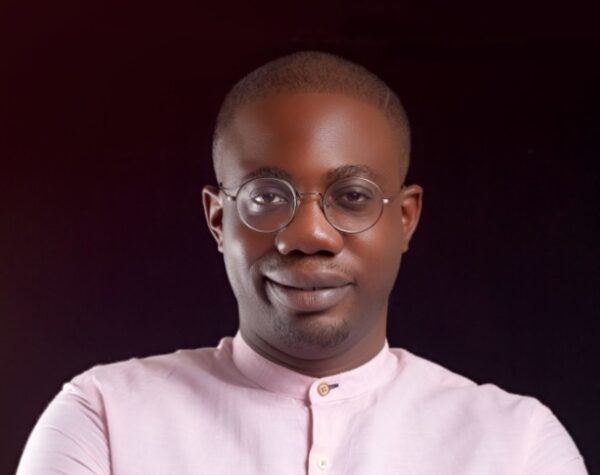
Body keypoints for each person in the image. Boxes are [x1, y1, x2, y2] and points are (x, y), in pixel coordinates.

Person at [17, 51, 587, 474]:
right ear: (218, 220)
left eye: (352, 196)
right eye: (267, 196)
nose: (308, 235)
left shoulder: (517, 445)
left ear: (405, 219)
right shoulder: (103, 419)